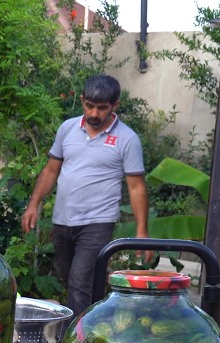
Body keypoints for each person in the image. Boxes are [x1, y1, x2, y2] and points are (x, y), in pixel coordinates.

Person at [20, 74, 149, 315]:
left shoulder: (127, 139)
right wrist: (33, 204)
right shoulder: (67, 128)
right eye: (89, 106)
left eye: (102, 108)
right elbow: (51, 170)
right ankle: (95, 325)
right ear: (82, 101)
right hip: (63, 220)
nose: (94, 114)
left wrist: (142, 229)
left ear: (115, 106)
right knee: (69, 280)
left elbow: (136, 187)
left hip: (97, 223)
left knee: (79, 285)